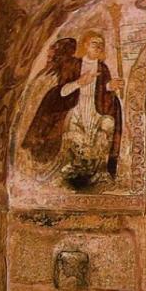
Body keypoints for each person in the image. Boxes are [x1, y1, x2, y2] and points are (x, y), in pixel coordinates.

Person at [21, 31, 123, 188]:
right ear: (85, 45)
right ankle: (72, 169)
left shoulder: (103, 68)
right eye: (94, 43)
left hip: (95, 111)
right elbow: (61, 92)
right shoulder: (73, 65)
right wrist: (79, 83)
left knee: (108, 124)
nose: (98, 47)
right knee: (76, 137)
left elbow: (103, 94)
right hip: (75, 108)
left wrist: (110, 86)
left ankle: (99, 171)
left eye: (100, 45)